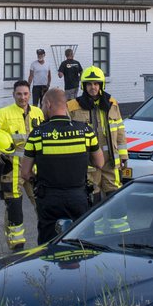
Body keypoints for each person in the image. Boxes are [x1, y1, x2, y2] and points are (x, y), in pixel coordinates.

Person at [21, 88, 104, 244]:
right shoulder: (86, 131)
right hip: (78, 197)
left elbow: (25, 173)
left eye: (43, 106)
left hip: (50, 199)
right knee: (81, 243)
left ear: (48, 104)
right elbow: (99, 163)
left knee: (48, 244)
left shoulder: (37, 134)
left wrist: (37, 181)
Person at [0, 80, 43, 249]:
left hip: (35, 167)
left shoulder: (38, 112)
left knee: (42, 203)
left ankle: (46, 239)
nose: (23, 97)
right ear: (13, 95)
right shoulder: (4, 113)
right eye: (19, 94)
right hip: (11, 167)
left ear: (30, 94)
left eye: (26, 94)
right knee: (14, 205)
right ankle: (16, 245)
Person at [65, 65, 129, 204]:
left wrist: (123, 155)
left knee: (115, 200)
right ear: (83, 86)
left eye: (96, 84)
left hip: (111, 162)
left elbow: (120, 131)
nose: (92, 87)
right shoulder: (72, 107)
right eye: (89, 84)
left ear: (101, 85)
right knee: (93, 200)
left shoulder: (112, 104)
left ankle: (118, 226)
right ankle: (96, 227)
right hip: (88, 163)